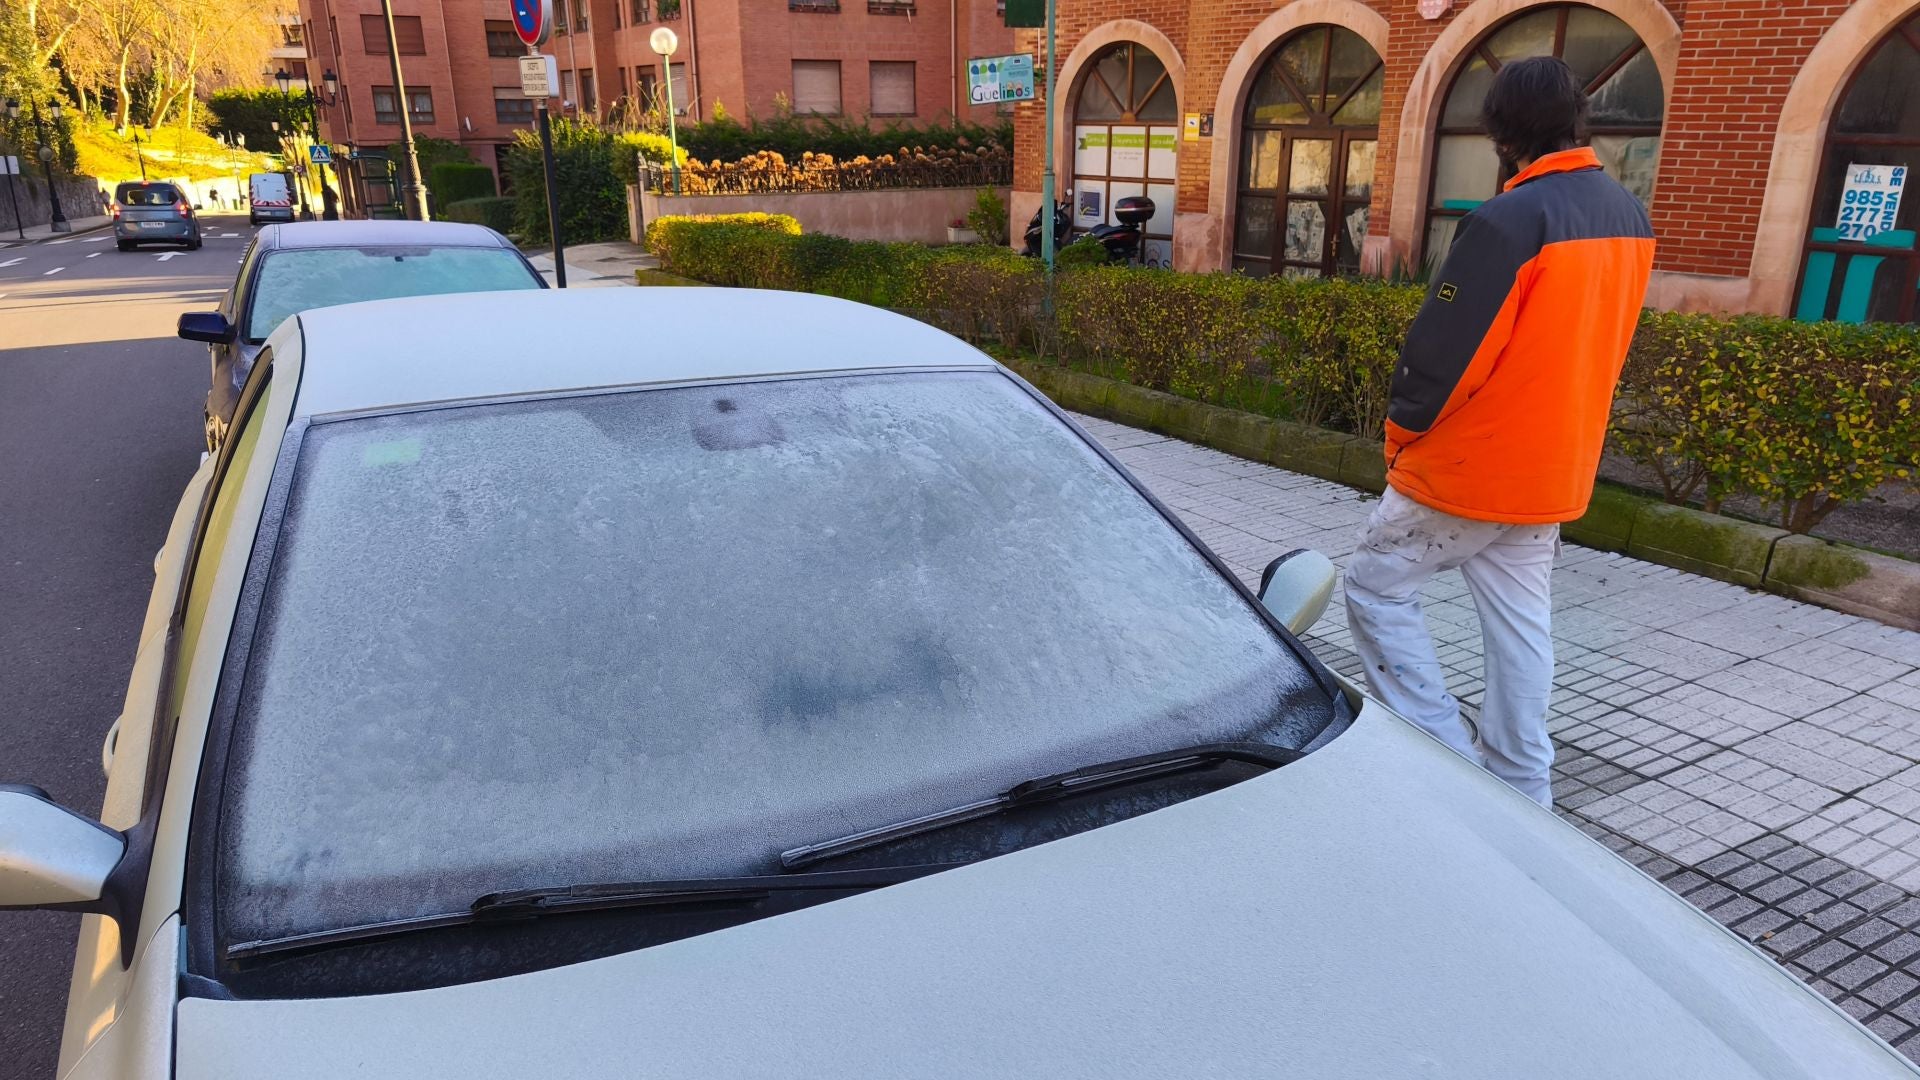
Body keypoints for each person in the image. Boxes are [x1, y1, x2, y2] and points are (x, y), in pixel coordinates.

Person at [1342, 56, 1655, 808]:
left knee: (1374, 587)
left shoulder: (1509, 220)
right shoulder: (1628, 216)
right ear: (1578, 121)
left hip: (1469, 466)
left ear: (1501, 134)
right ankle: (1521, 782)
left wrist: (1400, 435)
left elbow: (1447, 354)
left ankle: (1444, 757)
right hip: (1554, 469)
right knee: (1522, 628)